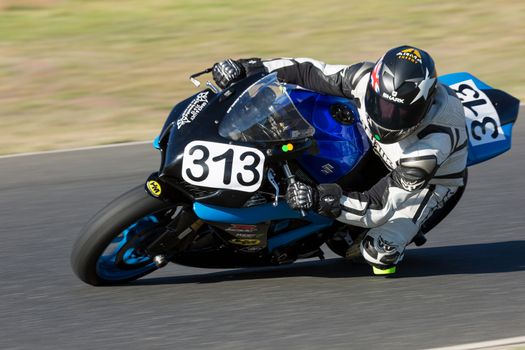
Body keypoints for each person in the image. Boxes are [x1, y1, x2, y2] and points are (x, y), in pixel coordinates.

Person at [212, 46, 468, 274]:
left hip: (428, 182)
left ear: (423, 107)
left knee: (377, 253)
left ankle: (394, 239)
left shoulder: (431, 146)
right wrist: (248, 68)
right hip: (374, 145)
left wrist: (318, 199)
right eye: (381, 104)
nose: (387, 117)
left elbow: (379, 207)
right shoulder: (365, 79)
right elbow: (309, 71)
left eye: (399, 112)